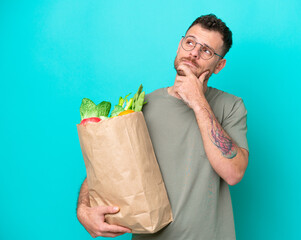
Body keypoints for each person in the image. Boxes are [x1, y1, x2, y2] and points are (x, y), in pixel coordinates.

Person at [77, 14, 249, 240]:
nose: (194, 52)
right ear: (180, 45)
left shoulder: (231, 106)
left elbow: (233, 173)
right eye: (190, 42)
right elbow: (105, 169)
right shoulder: (141, 106)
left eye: (206, 50)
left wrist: (198, 101)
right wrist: (83, 209)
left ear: (219, 65)